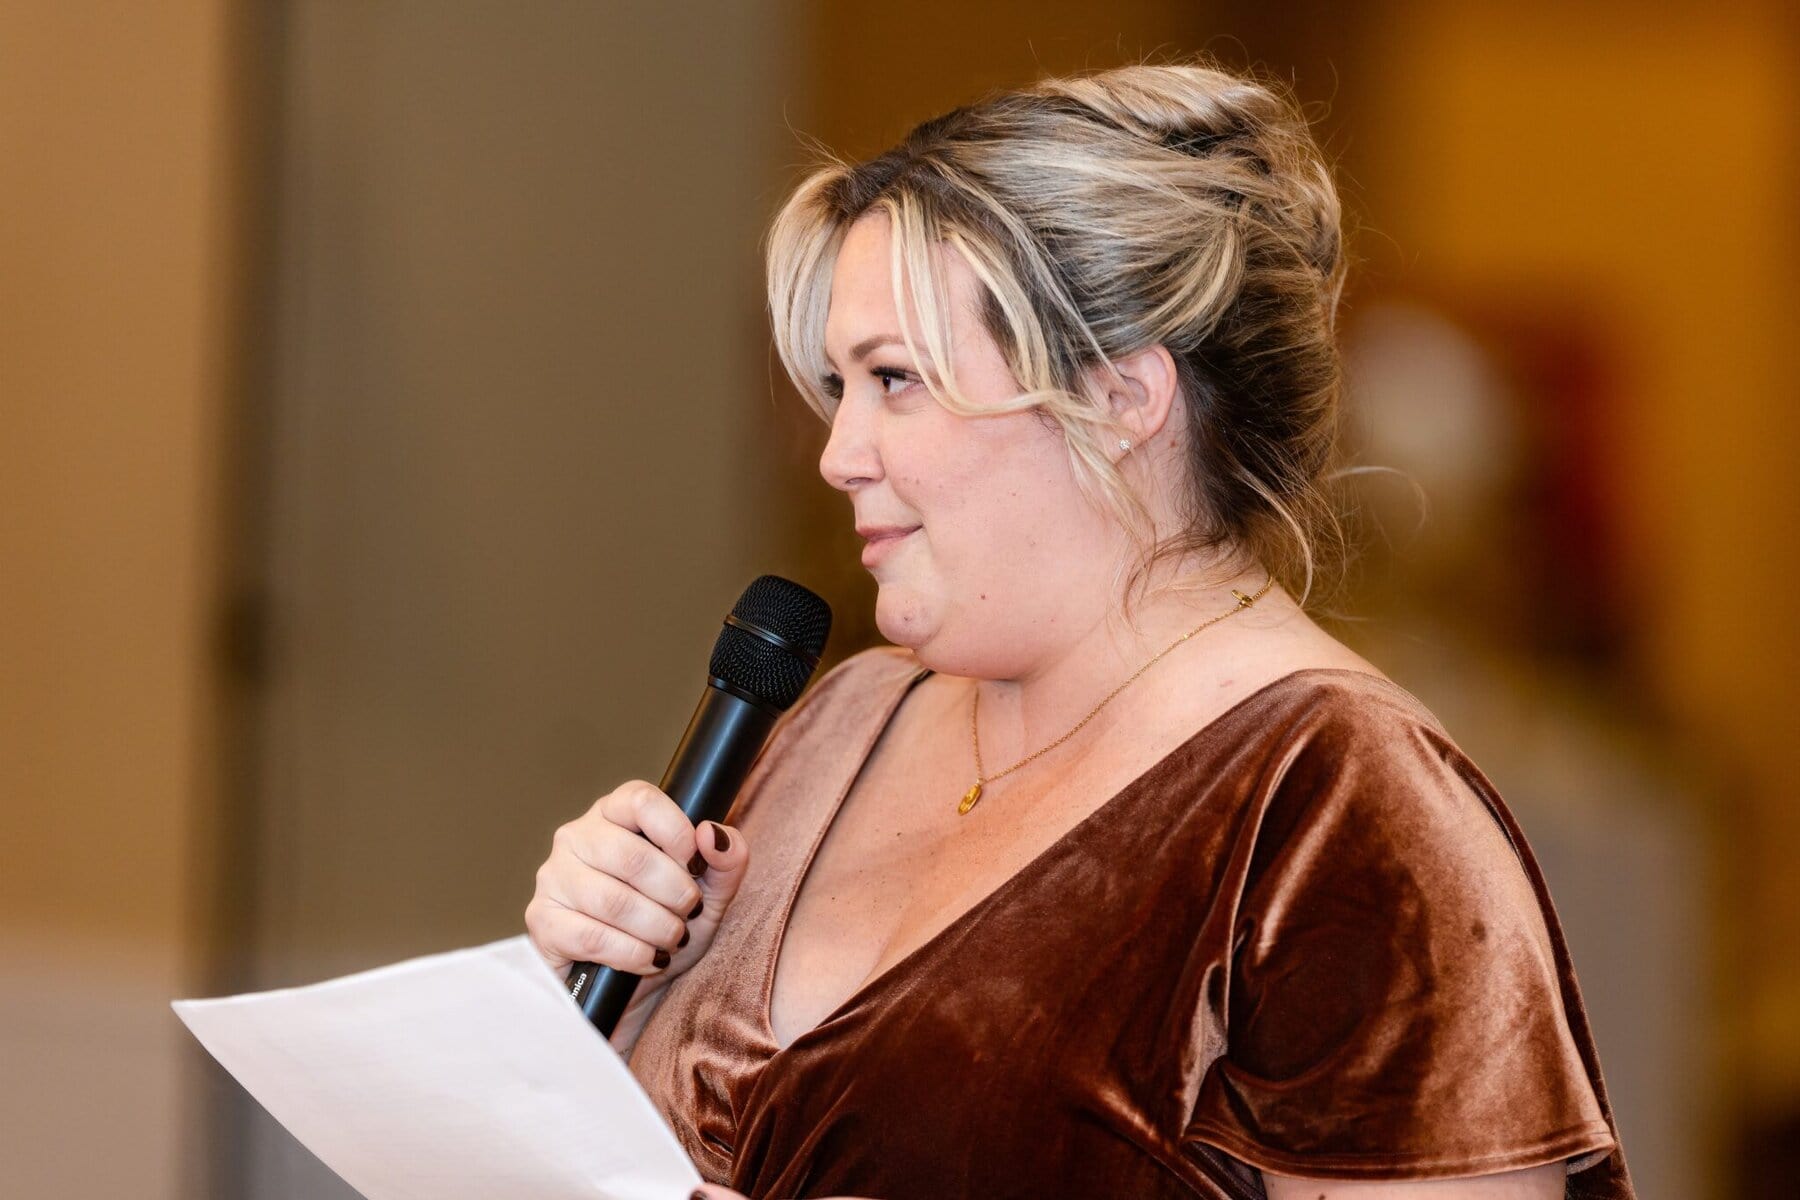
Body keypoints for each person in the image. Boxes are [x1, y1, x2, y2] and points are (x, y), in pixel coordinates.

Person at [525, 60, 1636, 1200]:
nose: (837, 453)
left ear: (1120, 400)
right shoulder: (844, 716)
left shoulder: (1345, 810)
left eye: (895, 379)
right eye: (836, 385)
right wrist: (603, 993)